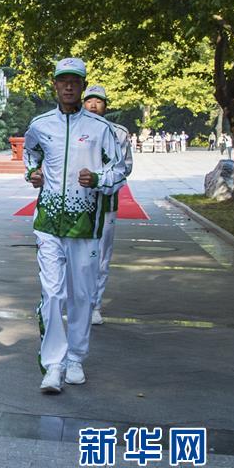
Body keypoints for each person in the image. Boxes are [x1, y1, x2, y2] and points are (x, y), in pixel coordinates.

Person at [24, 58, 126, 394]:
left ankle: (76, 358)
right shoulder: (40, 125)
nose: (68, 86)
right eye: (63, 80)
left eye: (75, 81)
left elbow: (120, 170)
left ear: (82, 86)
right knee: (53, 294)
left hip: (85, 225)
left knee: (82, 295)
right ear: (54, 85)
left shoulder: (100, 129)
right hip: (48, 223)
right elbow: (31, 154)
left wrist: (98, 179)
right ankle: (53, 364)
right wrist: (33, 173)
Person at [82, 85, 133, 326]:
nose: (93, 105)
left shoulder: (118, 133)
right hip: (76, 202)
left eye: (98, 101)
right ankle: (77, 303)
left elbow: (125, 167)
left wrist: (100, 179)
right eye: (89, 100)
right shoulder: (72, 129)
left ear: (106, 106)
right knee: (75, 257)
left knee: (101, 257)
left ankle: (95, 305)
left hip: (105, 203)